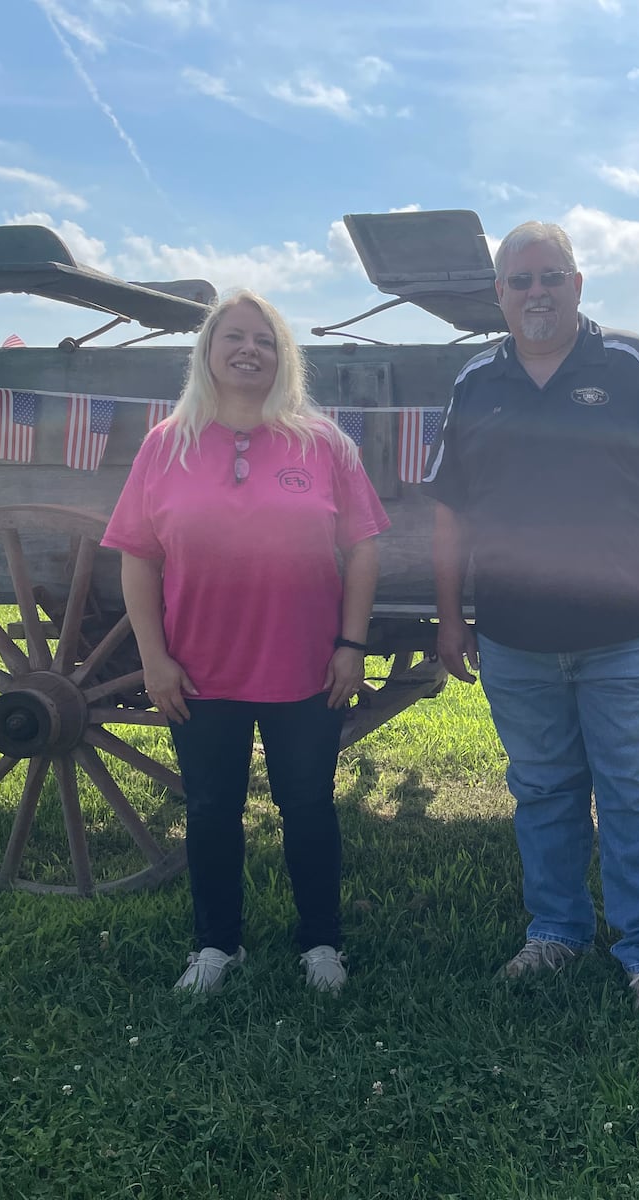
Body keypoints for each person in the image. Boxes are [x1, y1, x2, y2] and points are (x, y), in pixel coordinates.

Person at [422, 220, 639, 1030]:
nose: (536, 293)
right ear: (500, 295)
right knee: (542, 792)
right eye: (520, 282)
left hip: (623, 631)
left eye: (551, 277)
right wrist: (451, 616)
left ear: (578, 285)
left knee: (632, 793)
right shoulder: (477, 380)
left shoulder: (628, 365)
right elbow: (450, 509)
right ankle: (556, 932)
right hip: (513, 636)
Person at [102, 289, 389, 995]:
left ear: (283, 357)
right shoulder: (165, 445)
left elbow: (365, 545)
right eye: (233, 336)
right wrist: (153, 658)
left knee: (310, 805)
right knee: (209, 809)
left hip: (305, 666)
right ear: (207, 352)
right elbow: (136, 555)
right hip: (200, 669)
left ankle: (322, 943)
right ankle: (216, 947)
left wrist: (352, 643)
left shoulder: (321, 444)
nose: (248, 350)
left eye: (264, 340)